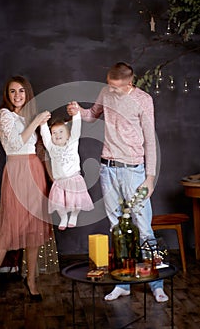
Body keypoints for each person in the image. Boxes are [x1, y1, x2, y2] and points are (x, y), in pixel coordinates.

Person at [67, 62, 169, 303]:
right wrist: (78, 111)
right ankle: (124, 282)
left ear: (129, 83)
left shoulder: (143, 100)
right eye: (108, 85)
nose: (110, 91)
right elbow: (92, 115)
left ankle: (156, 283)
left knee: (143, 227)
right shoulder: (105, 91)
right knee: (116, 228)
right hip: (107, 169)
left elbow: (150, 141)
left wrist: (150, 177)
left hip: (134, 171)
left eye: (116, 88)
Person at [0, 75, 52, 309]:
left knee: (33, 229)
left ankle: (31, 281)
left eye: (21, 91)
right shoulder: (5, 115)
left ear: (27, 93)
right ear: (7, 95)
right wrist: (36, 121)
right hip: (17, 170)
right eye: (12, 91)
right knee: (8, 231)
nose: (17, 95)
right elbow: (16, 144)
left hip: (34, 170)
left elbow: (41, 148)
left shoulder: (28, 117)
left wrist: (54, 177)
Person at [40, 105, 94, 230]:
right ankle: (63, 217)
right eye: (54, 133)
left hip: (74, 178)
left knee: (77, 202)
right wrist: (43, 124)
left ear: (68, 134)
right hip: (60, 181)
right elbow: (45, 136)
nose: (57, 135)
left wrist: (76, 115)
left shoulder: (72, 143)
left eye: (61, 132)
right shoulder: (51, 147)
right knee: (59, 203)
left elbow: (76, 129)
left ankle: (74, 215)